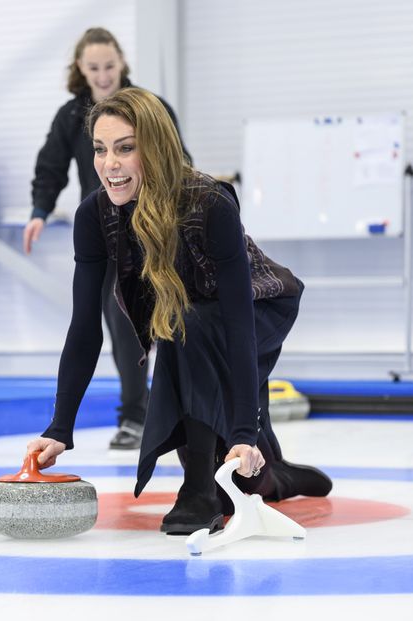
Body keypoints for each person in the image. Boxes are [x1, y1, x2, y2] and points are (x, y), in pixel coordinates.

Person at [25, 88, 332, 535]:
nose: (109, 164)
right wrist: (59, 427)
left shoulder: (210, 203)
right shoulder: (94, 215)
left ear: (156, 146)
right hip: (188, 324)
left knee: (184, 329)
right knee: (241, 480)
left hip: (261, 307)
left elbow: (238, 322)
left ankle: (196, 490)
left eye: (126, 148)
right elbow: (85, 327)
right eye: (100, 149)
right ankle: (276, 476)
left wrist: (245, 430)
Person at [24, 27, 191, 450]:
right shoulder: (70, 117)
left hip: (155, 232)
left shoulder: (150, 109)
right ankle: (136, 415)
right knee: (116, 325)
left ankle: (177, 412)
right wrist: (39, 212)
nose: (102, 75)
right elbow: (50, 166)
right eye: (93, 68)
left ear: (122, 63)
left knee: (163, 324)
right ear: (80, 69)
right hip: (104, 235)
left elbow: (180, 164)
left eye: (109, 66)